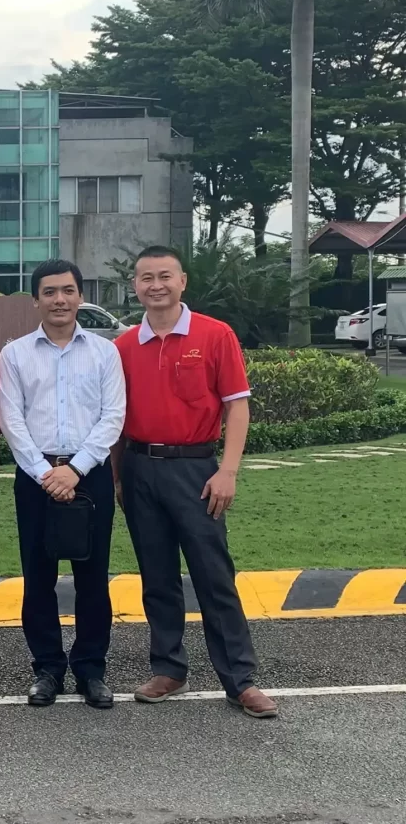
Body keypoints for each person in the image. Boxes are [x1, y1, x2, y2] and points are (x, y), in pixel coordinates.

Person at [112, 245, 278, 719]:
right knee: (156, 575)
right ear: (135, 286)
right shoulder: (123, 347)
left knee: (213, 575)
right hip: (140, 468)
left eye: (165, 276)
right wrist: (119, 477)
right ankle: (169, 668)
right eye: (146, 278)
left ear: (182, 281)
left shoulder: (214, 334)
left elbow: (237, 405)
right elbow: (115, 420)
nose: (156, 285)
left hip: (196, 470)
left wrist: (228, 470)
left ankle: (240, 679)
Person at [0, 260, 125, 710]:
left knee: (93, 578)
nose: (59, 300)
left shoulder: (105, 353)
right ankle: (47, 668)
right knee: (38, 578)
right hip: (37, 478)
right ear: (35, 300)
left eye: (68, 291)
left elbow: (113, 416)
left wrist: (76, 469)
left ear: (80, 296)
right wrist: (46, 473)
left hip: (90, 477)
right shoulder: (15, 355)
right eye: (49, 292)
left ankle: (91, 669)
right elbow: (11, 421)